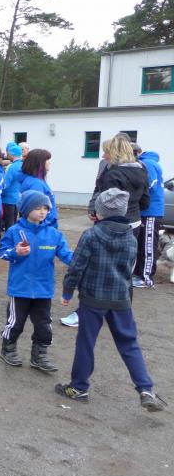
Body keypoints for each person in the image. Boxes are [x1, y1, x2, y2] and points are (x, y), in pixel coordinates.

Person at [56, 188, 166, 412]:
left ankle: (79, 387)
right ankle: (146, 389)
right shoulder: (131, 237)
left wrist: (67, 292)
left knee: (86, 342)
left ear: (99, 212)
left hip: (93, 299)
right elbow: (129, 269)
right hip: (120, 299)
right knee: (129, 344)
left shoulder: (91, 235)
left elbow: (76, 267)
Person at [62, 137, 150, 327]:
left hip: (110, 223)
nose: (103, 155)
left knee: (97, 268)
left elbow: (107, 201)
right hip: (133, 224)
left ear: (115, 153)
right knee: (125, 270)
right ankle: (123, 315)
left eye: (106, 152)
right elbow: (145, 201)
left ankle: (85, 313)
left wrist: (96, 212)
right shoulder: (142, 169)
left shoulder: (113, 173)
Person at [0, 190, 73, 371]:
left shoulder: (54, 234)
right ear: (26, 209)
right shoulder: (14, 231)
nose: (42, 212)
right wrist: (15, 252)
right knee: (15, 323)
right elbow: (2, 252)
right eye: (38, 208)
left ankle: (39, 356)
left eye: (46, 208)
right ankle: (8, 349)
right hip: (20, 288)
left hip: (43, 289)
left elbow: (68, 256)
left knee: (44, 325)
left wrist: (84, 261)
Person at [135, 147, 165, 288]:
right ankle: (138, 273)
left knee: (148, 245)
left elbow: (150, 184)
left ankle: (145, 278)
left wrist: (135, 195)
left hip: (151, 211)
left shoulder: (147, 163)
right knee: (141, 244)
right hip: (145, 211)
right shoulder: (147, 162)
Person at [16, 149, 59, 228]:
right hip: (43, 226)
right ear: (39, 163)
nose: (50, 162)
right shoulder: (35, 183)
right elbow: (36, 210)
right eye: (47, 160)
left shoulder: (37, 180)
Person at [2, 143, 24, 229]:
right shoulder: (23, 165)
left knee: (8, 224)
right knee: (14, 222)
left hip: (8, 199)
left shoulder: (12, 167)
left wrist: (0, 193)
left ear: (12, 154)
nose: (6, 154)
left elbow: (5, 184)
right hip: (18, 198)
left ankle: (9, 237)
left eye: (8, 153)